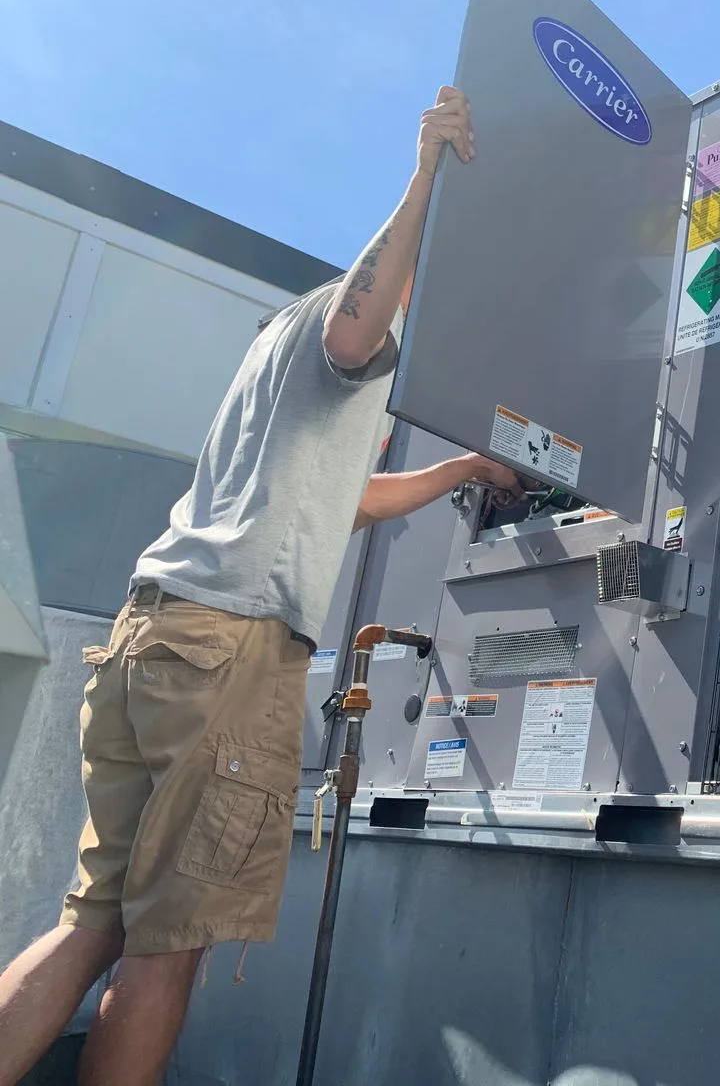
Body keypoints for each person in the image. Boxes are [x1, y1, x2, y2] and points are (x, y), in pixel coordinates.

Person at [0, 86, 521, 1085]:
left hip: (150, 639)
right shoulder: (339, 328)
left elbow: (348, 501)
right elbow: (355, 328)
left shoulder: (268, 358)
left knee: (94, 920)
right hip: (227, 656)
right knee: (171, 944)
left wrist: (462, 472)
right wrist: (423, 180)